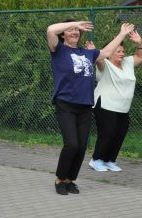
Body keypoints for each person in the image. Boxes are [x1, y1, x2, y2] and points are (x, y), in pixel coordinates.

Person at [46, 20, 134, 195]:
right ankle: (60, 179)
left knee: (81, 147)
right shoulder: (59, 50)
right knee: (71, 144)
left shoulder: (87, 53)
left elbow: (107, 52)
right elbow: (50, 30)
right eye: (70, 30)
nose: (74, 32)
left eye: (77, 31)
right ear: (63, 34)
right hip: (66, 104)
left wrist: (122, 34)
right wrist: (76, 24)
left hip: (85, 105)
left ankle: (70, 180)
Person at [87, 30, 142, 172]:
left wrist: (139, 43)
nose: (122, 53)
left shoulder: (127, 62)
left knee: (120, 133)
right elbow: (98, 59)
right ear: (110, 53)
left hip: (123, 107)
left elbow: (139, 56)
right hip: (105, 105)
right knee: (108, 133)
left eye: (123, 51)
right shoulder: (104, 64)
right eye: (118, 51)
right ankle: (96, 160)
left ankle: (109, 160)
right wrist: (94, 52)